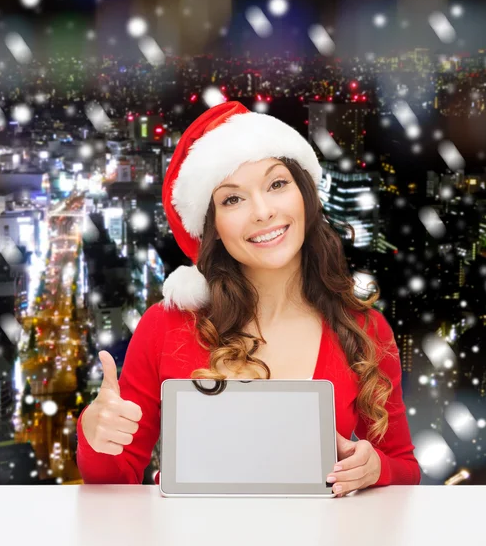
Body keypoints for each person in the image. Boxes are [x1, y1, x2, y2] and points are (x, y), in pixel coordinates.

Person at [76, 101, 421, 496]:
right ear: (213, 227)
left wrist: (375, 468)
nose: (262, 212)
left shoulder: (365, 328)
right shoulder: (167, 324)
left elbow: (405, 468)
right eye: (232, 199)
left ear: (305, 195)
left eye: (277, 184)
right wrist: (94, 433)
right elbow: (113, 481)